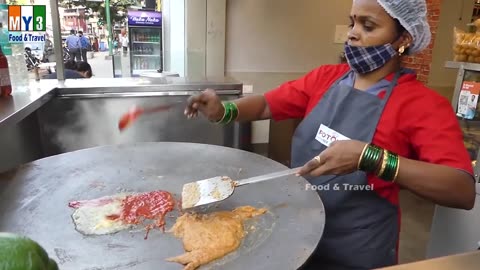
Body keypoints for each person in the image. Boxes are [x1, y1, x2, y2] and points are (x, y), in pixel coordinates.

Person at [184, 0, 476, 269]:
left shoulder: (422, 104)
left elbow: (461, 189)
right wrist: (225, 111)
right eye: (352, 23)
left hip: (357, 249)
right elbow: (265, 105)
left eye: (368, 26)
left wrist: (370, 158)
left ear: (404, 38)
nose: (353, 34)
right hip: (299, 232)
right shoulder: (326, 78)